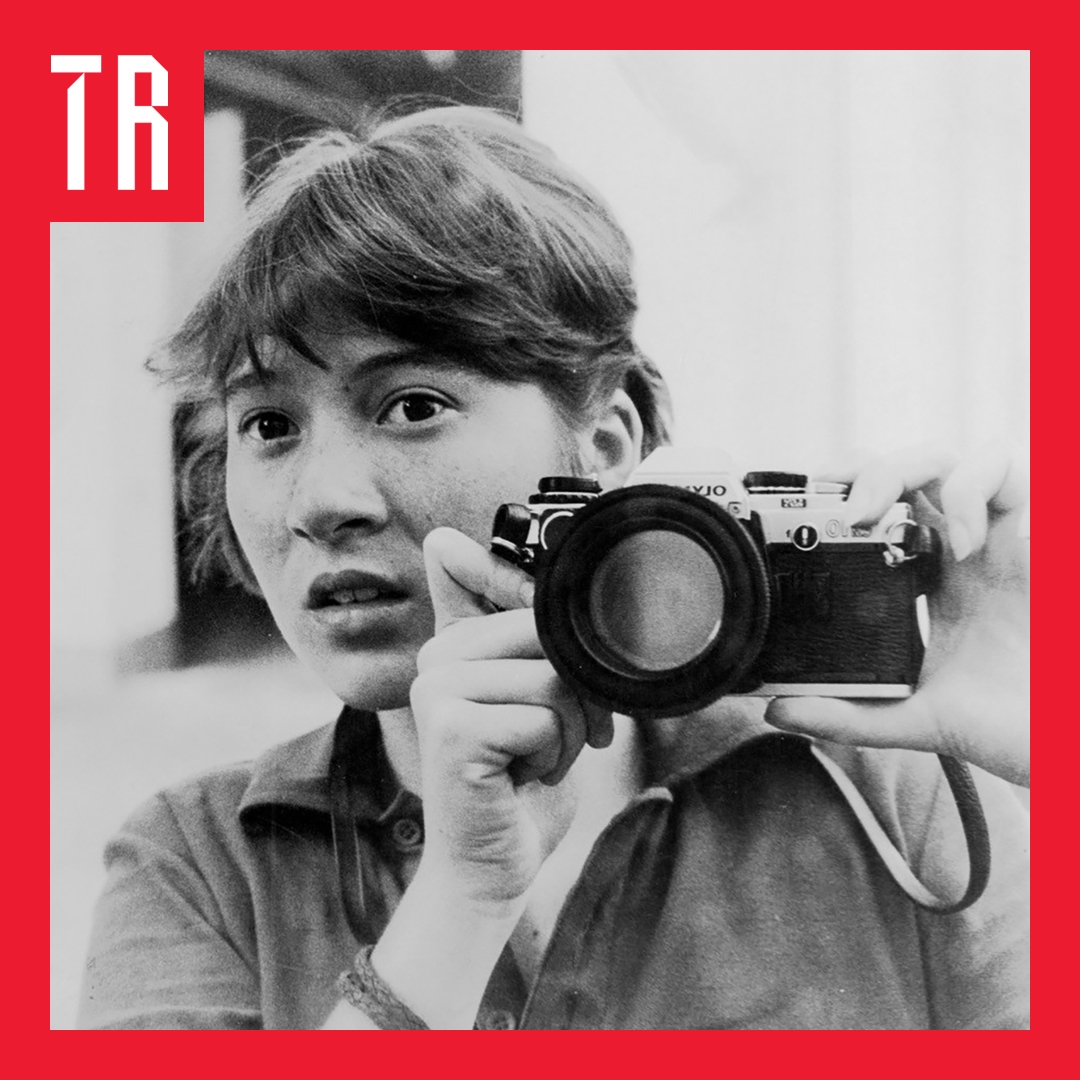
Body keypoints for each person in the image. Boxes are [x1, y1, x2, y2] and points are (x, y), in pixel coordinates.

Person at [77, 104, 1029, 1030]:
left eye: (411, 405)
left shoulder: (881, 789)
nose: (321, 501)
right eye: (268, 425)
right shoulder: (195, 868)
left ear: (604, 444)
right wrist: (463, 895)